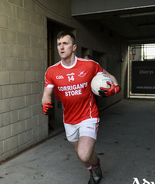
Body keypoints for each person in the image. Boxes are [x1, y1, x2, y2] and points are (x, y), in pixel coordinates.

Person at [42, 31, 120, 184]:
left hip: (88, 116)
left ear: (74, 47)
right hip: (69, 119)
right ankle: (94, 167)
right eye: (59, 44)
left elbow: (111, 78)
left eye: (65, 43)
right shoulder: (52, 71)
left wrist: (116, 88)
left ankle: (95, 167)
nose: (61, 47)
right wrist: (45, 104)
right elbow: (46, 94)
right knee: (82, 157)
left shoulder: (89, 65)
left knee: (84, 155)